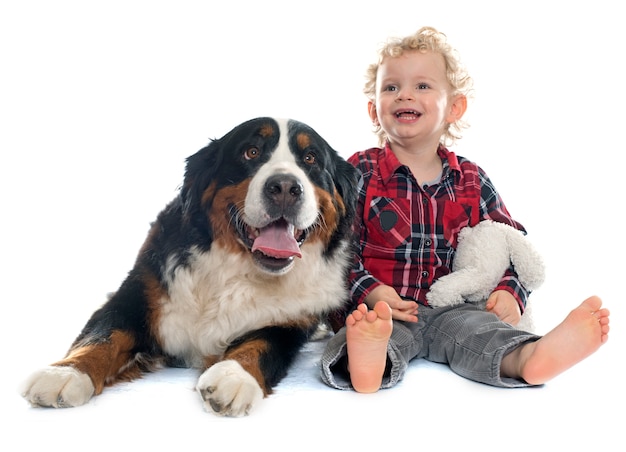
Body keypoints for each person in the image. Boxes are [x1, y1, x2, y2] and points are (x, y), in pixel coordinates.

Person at [320, 26, 610, 393]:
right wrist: (370, 291)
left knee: (483, 333)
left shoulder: (471, 179)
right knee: (360, 330)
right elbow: (332, 250)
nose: (404, 94)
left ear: (454, 107)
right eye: (390, 87)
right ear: (373, 110)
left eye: (422, 86)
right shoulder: (360, 171)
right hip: (383, 309)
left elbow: (510, 243)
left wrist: (510, 292)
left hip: (454, 310)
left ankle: (528, 358)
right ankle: (367, 360)